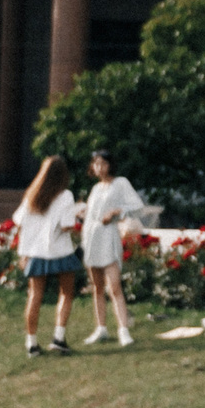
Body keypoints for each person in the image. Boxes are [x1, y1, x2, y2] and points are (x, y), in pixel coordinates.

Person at [13, 157, 82, 356]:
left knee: (35, 296)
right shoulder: (65, 195)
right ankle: (59, 338)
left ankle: (31, 344)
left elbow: (19, 222)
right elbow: (67, 225)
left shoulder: (32, 195)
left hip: (36, 252)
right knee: (66, 293)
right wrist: (78, 213)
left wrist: (23, 253)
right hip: (60, 251)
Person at [79, 149, 140, 348]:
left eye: (103, 163)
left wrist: (116, 211)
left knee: (114, 286)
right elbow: (90, 215)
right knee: (97, 286)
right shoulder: (96, 188)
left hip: (108, 236)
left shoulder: (120, 183)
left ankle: (123, 330)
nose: (99, 167)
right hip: (92, 237)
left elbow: (136, 205)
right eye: (96, 163)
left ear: (110, 164)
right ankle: (101, 328)